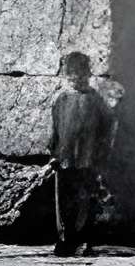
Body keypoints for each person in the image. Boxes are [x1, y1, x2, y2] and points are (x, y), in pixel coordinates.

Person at [49, 48, 115, 255]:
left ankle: (82, 238)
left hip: (87, 158)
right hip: (65, 158)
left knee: (85, 197)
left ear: (87, 74)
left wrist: (101, 153)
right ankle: (65, 238)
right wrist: (54, 154)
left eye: (80, 73)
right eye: (71, 74)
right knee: (64, 200)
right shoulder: (61, 100)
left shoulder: (96, 101)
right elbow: (55, 129)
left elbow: (106, 128)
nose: (75, 78)